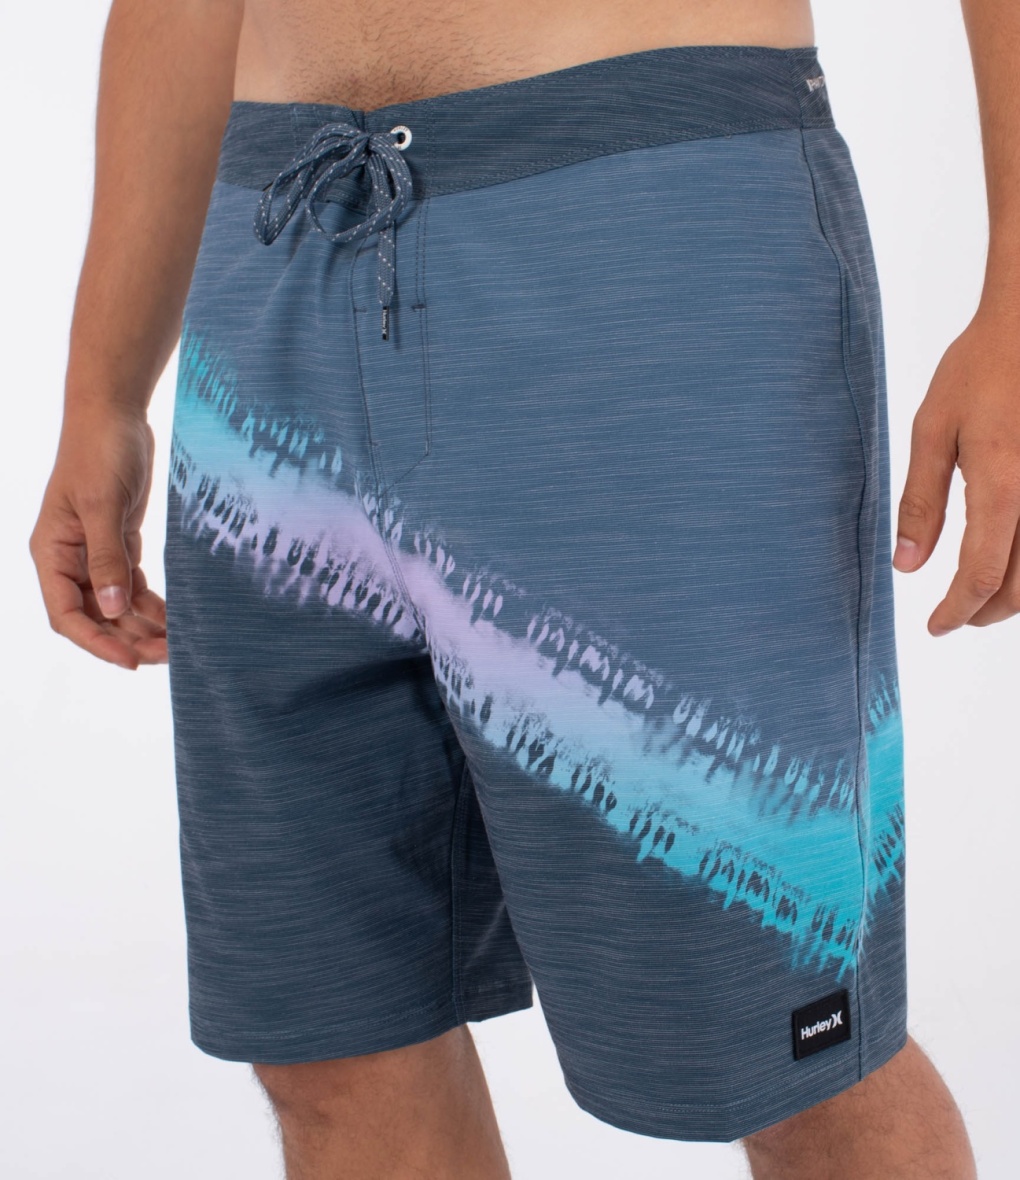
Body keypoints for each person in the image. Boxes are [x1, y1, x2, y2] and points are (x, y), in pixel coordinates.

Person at [30, 0, 1017, 1175]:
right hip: (271, 259)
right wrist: (102, 390)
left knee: (795, 1049)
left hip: (647, 236)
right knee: (332, 1045)